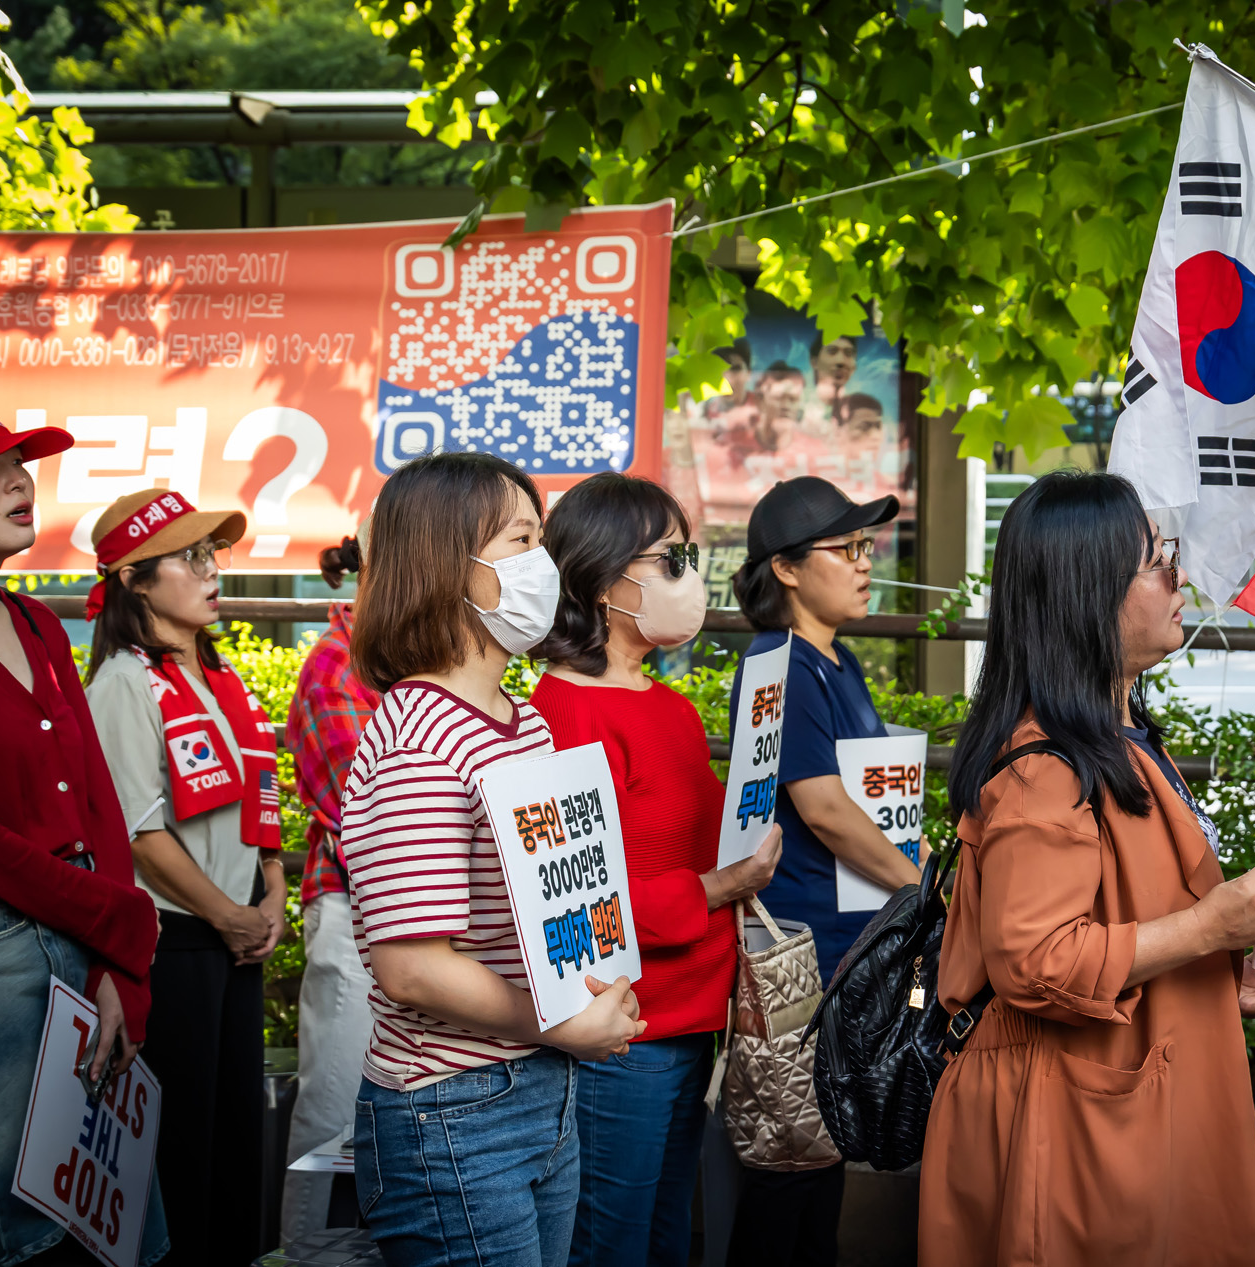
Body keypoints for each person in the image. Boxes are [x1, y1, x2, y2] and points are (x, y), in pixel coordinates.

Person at [919, 471, 1255, 1267]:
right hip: (1068, 1131)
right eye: (1157, 561)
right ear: (1086, 592)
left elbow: (1128, 911)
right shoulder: (1046, 769)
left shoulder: (1121, 732)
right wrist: (1207, 926)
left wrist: (1213, 966)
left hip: (1125, 1107)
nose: (1181, 577)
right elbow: (1035, 960)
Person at [339, 452, 645, 1267]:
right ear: (449, 563)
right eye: (521, 539)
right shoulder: (417, 738)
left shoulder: (523, 720)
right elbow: (410, 966)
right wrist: (562, 1022)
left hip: (539, 1088)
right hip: (453, 1113)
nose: (543, 565)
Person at [531, 473, 783, 1267]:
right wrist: (718, 887)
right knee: (613, 1243)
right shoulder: (563, 715)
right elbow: (576, 905)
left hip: (693, 1021)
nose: (692, 576)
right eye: (673, 557)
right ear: (606, 580)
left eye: (691, 555)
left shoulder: (667, 705)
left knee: (670, 1235)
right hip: (622, 1036)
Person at [0, 395, 168, 1267]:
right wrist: (112, 921)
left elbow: (100, 804)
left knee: (106, 1220)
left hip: (84, 943)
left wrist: (120, 963)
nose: (17, 480)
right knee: (20, 1237)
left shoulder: (39, 624)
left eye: (20, 462)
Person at [722, 476, 926, 1266]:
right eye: (846, 548)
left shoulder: (835, 662)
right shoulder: (779, 663)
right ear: (787, 568)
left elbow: (870, 801)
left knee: (822, 1155)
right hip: (802, 962)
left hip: (846, 953)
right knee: (791, 1164)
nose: (865, 562)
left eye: (865, 546)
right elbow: (825, 806)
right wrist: (916, 885)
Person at [86, 487, 283, 1267]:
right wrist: (227, 915)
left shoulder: (220, 678)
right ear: (134, 579)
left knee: (237, 1142)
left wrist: (268, 895)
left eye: (213, 554)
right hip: (178, 948)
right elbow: (138, 832)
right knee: (183, 1152)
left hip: (234, 940)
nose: (211, 570)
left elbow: (258, 808)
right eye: (191, 557)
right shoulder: (123, 685)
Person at [280, 528, 382, 1243]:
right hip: (356, 909)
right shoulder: (335, 664)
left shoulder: (414, 665)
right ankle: (306, 1250)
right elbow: (364, 810)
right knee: (334, 1105)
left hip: (415, 918)